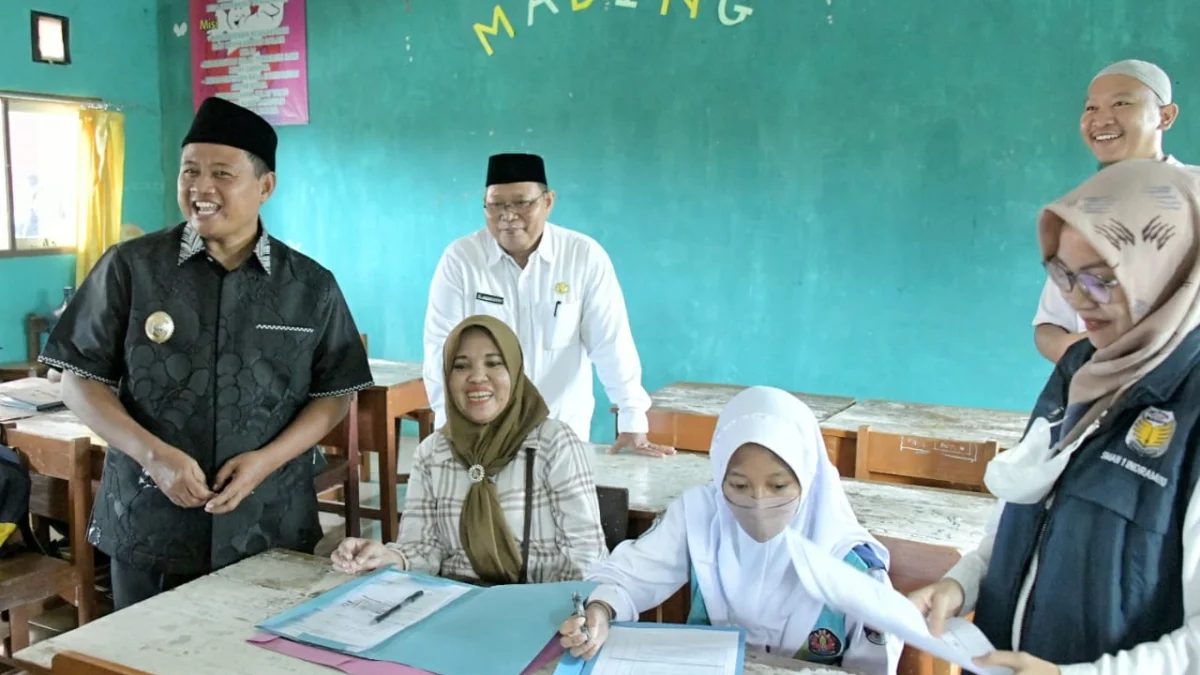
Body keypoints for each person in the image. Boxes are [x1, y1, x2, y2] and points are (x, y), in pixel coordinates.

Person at [38, 96, 373, 609]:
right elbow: (78, 381)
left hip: (269, 523)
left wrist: (266, 461)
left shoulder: (309, 285)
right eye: (189, 171)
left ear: (265, 187)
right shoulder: (131, 268)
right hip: (149, 520)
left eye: (222, 173)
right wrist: (154, 455)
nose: (201, 188)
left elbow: (334, 393)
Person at [911, 160, 1200, 674]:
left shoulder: (1192, 403)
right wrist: (961, 582)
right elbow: (1026, 513)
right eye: (1062, 272)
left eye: (1102, 279)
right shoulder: (1083, 368)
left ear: (1167, 270)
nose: (1073, 298)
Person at [558, 386, 900, 674]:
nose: (758, 501)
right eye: (738, 485)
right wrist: (601, 609)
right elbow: (631, 576)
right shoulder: (701, 514)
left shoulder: (852, 565)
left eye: (779, 486)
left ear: (808, 477)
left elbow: (876, 665)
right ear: (720, 474)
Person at [422, 153, 672, 457]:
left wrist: (632, 419)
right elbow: (441, 349)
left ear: (548, 202)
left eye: (522, 203)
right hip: (481, 434)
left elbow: (610, 342)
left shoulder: (583, 257)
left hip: (561, 433)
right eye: (496, 205)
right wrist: (450, 426)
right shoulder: (461, 260)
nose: (508, 215)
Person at [333, 315, 607, 584]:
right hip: (455, 604)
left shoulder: (552, 443)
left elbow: (587, 558)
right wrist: (388, 557)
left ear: (515, 371)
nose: (477, 377)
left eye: (494, 363)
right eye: (461, 366)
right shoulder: (432, 453)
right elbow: (422, 549)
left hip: (537, 608)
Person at [1034, 59, 1185, 363]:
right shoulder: (1080, 209)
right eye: (1091, 108)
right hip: (1097, 396)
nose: (1102, 119)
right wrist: (1088, 358)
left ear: (1165, 116)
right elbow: (1050, 325)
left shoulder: (1193, 196)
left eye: (1121, 103)